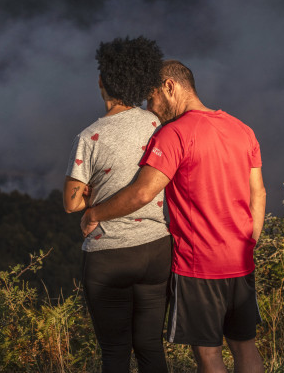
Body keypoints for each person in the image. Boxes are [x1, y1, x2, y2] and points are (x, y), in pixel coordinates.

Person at [81, 60, 266, 373]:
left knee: (209, 354)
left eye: (151, 98)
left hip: (199, 265)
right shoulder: (242, 129)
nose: (151, 108)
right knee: (244, 346)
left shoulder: (175, 134)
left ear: (170, 86)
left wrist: (95, 212)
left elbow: (142, 193)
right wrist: (250, 241)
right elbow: (258, 193)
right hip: (240, 259)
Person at [63, 37, 171, 373]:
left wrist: (94, 195)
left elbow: (71, 202)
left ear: (101, 82)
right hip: (157, 250)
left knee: (115, 352)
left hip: (109, 254)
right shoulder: (157, 125)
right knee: (151, 346)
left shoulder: (90, 136)